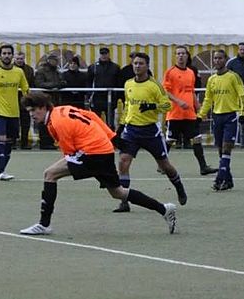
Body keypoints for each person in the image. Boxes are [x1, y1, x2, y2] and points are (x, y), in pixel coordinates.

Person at [17, 91, 177, 236]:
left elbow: (69, 151)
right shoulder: (60, 110)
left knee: (50, 174)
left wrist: (108, 140)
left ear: (44, 107)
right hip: (102, 150)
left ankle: (44, 224)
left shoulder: (58, 122)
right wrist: (112, 137)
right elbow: (91, 115)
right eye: (29, 111)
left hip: (92, 153)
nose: (31, 114)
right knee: (118, 192)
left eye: (33, 110)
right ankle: (164, 209)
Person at [112, 52, 187, 213]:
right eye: (135, 63)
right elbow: (128, 106)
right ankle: (124, 201)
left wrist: (152, 106)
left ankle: (179, 186)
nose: (137, 66)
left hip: (150, 131)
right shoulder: (128, 84)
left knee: (165, 165)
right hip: (131, 130)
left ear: (147, 66)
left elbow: (167, 105)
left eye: (141, 63)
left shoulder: (154, 85)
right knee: (123, 162)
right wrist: (121, 127)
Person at [198, 49, 244, 191]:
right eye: (215, 58)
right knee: (221, 151)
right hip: (217, 117)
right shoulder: (212, 79)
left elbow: (242, 95)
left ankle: (219, 178)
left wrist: (243, 113)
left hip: (230, 116)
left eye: (220, 58)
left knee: (227, 148)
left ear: (225, 60)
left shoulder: (233, 77)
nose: (217, 60)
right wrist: (200, 115)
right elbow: (208, 99)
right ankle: (228, 181)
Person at [162, 45, 218, 176]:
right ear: (175, 56)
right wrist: (178, 101)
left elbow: (191, 91)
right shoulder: (170, 72)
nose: (181, 56)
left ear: (187, 56)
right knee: (170, 140)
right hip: (175, 114)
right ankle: (162, 165)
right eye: (178, 54)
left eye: (183, 53)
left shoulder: (190, 72)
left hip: (189, 114)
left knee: (197, 138)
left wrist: (198, 107)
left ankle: (203, 167)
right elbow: (165, 91)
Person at [0, 44, 30, 180]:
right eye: (4, 53)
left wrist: (30, 105)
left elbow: (25, 89)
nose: (7, 56)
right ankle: (1, 172)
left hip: (14, 112)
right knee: (1, 139)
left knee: (9, 142)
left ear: (12, 55)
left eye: (9, 53)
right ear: (0, 56)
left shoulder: (19, 72)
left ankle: (3, 169)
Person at [34, 53, 64, 149]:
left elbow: (62, 82)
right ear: (49, 60)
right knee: (43, 122)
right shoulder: (41, 71)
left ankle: (51, 141)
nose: (56, 62)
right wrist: (54, 85)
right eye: (54, 60)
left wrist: (60, 84)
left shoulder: (57, 72)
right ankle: (44, 142)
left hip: (55, 100)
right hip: (44, 100)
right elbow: (39, 84)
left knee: (53, 121)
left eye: (56, 60)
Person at [87, 47, 120, 128]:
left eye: (105, 54)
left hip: (110, 97)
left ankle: (111, 135)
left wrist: (117, 96)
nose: (104, 56)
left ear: (109, 54)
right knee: (96, 122)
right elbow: (88, 82)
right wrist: (89, 94)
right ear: (99, 55)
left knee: (110, 122)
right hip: (96, 97)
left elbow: (118, 83)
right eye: (102, 54)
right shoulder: (93, 67)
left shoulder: (115, 67)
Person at [13, 51, 36, 149]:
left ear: (24, 59)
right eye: (17, 59)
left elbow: (32, 83)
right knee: (13, 123)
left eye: (21, 59)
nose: (19, 60)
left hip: (26, 99)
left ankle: (24, 143)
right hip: (12, 99)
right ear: (14, 59)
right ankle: (13, 142)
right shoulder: (10, 69)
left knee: (25, 123)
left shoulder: (29, 70)